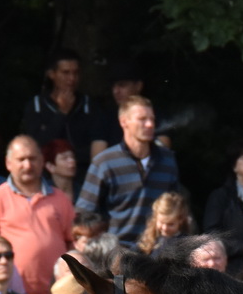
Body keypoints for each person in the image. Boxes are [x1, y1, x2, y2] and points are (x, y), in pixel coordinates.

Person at [77, 96, 179, 246]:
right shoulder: (105, 162)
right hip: (117, 253)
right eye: (142, 119)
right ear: (124, 122)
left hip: (158, 252)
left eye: (152, 119)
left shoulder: (167, 161)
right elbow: (84, 213)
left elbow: (175, 208)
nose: (150, 124)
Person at [0, 135, 76, 294]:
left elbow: (73, 242)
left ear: (42, 161)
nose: (27, 165)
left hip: (58, 293)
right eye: (21, 159)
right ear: (8, 163)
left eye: (32, 159)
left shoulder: (61, 199)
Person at [20, 49, 101, 172]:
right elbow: (37, 145)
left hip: (82, 173)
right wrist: (61, 114)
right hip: (47, 174)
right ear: (52, 74)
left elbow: (95, 145)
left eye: (76, 73)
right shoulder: (36, 106)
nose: (72, 78)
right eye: (66, 73)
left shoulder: (88, 105)